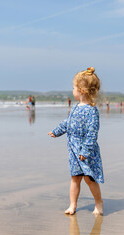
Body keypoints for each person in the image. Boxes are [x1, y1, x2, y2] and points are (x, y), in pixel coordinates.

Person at [48, 67, 104, 215]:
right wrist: (57, 131)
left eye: (74, 87)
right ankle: (72, 205)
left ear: (82, 90)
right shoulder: (76, 108)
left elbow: (92, 133)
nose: (72, 90)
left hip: (86, 151)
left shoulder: (91, 111)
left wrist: (85, 151)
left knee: (89, 179)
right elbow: (68, 122)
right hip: (73, 149)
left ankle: (98, 203)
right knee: (75, 178)